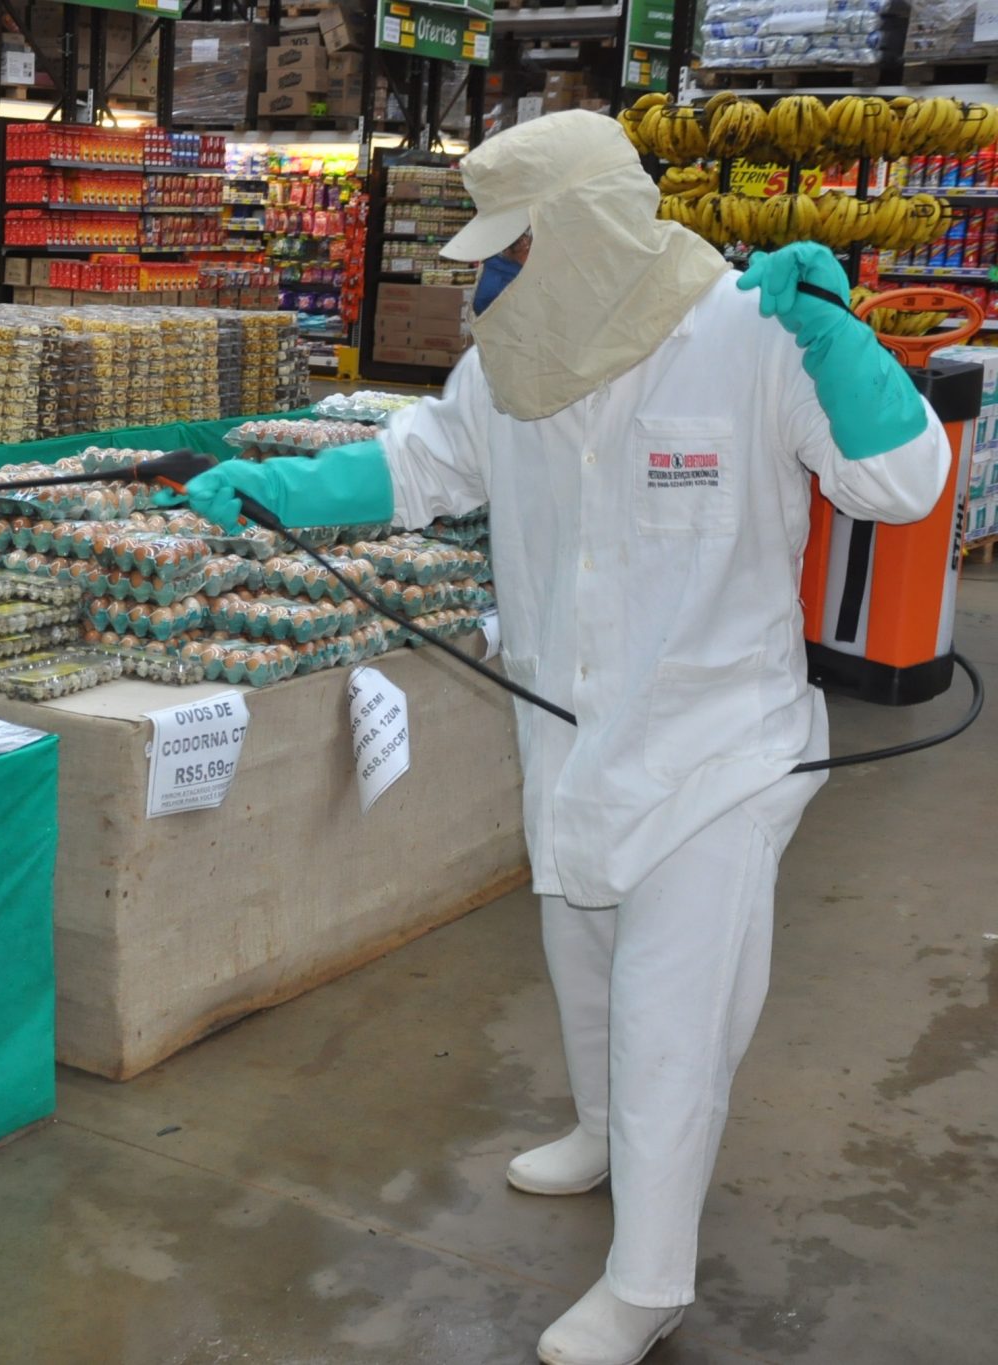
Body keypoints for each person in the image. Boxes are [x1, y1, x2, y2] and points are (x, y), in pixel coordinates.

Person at [175, 109, 949, 1365]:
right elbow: (423, 467)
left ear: (586, 230)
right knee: (582, 946)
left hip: (716, 745)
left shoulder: (750, 335)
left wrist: (837, 336)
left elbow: (902, 486)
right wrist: (283, 489)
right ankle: (599, 1132)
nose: (492, 278)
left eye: (513, 249)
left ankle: (649, 1283)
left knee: (669, 1017)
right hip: (572, 731)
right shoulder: (515, 363)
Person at [474, 229, 531, 314]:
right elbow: (481, 306)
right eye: (526, 250)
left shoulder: (501, 266)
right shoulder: (498, 277)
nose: (529, 253)